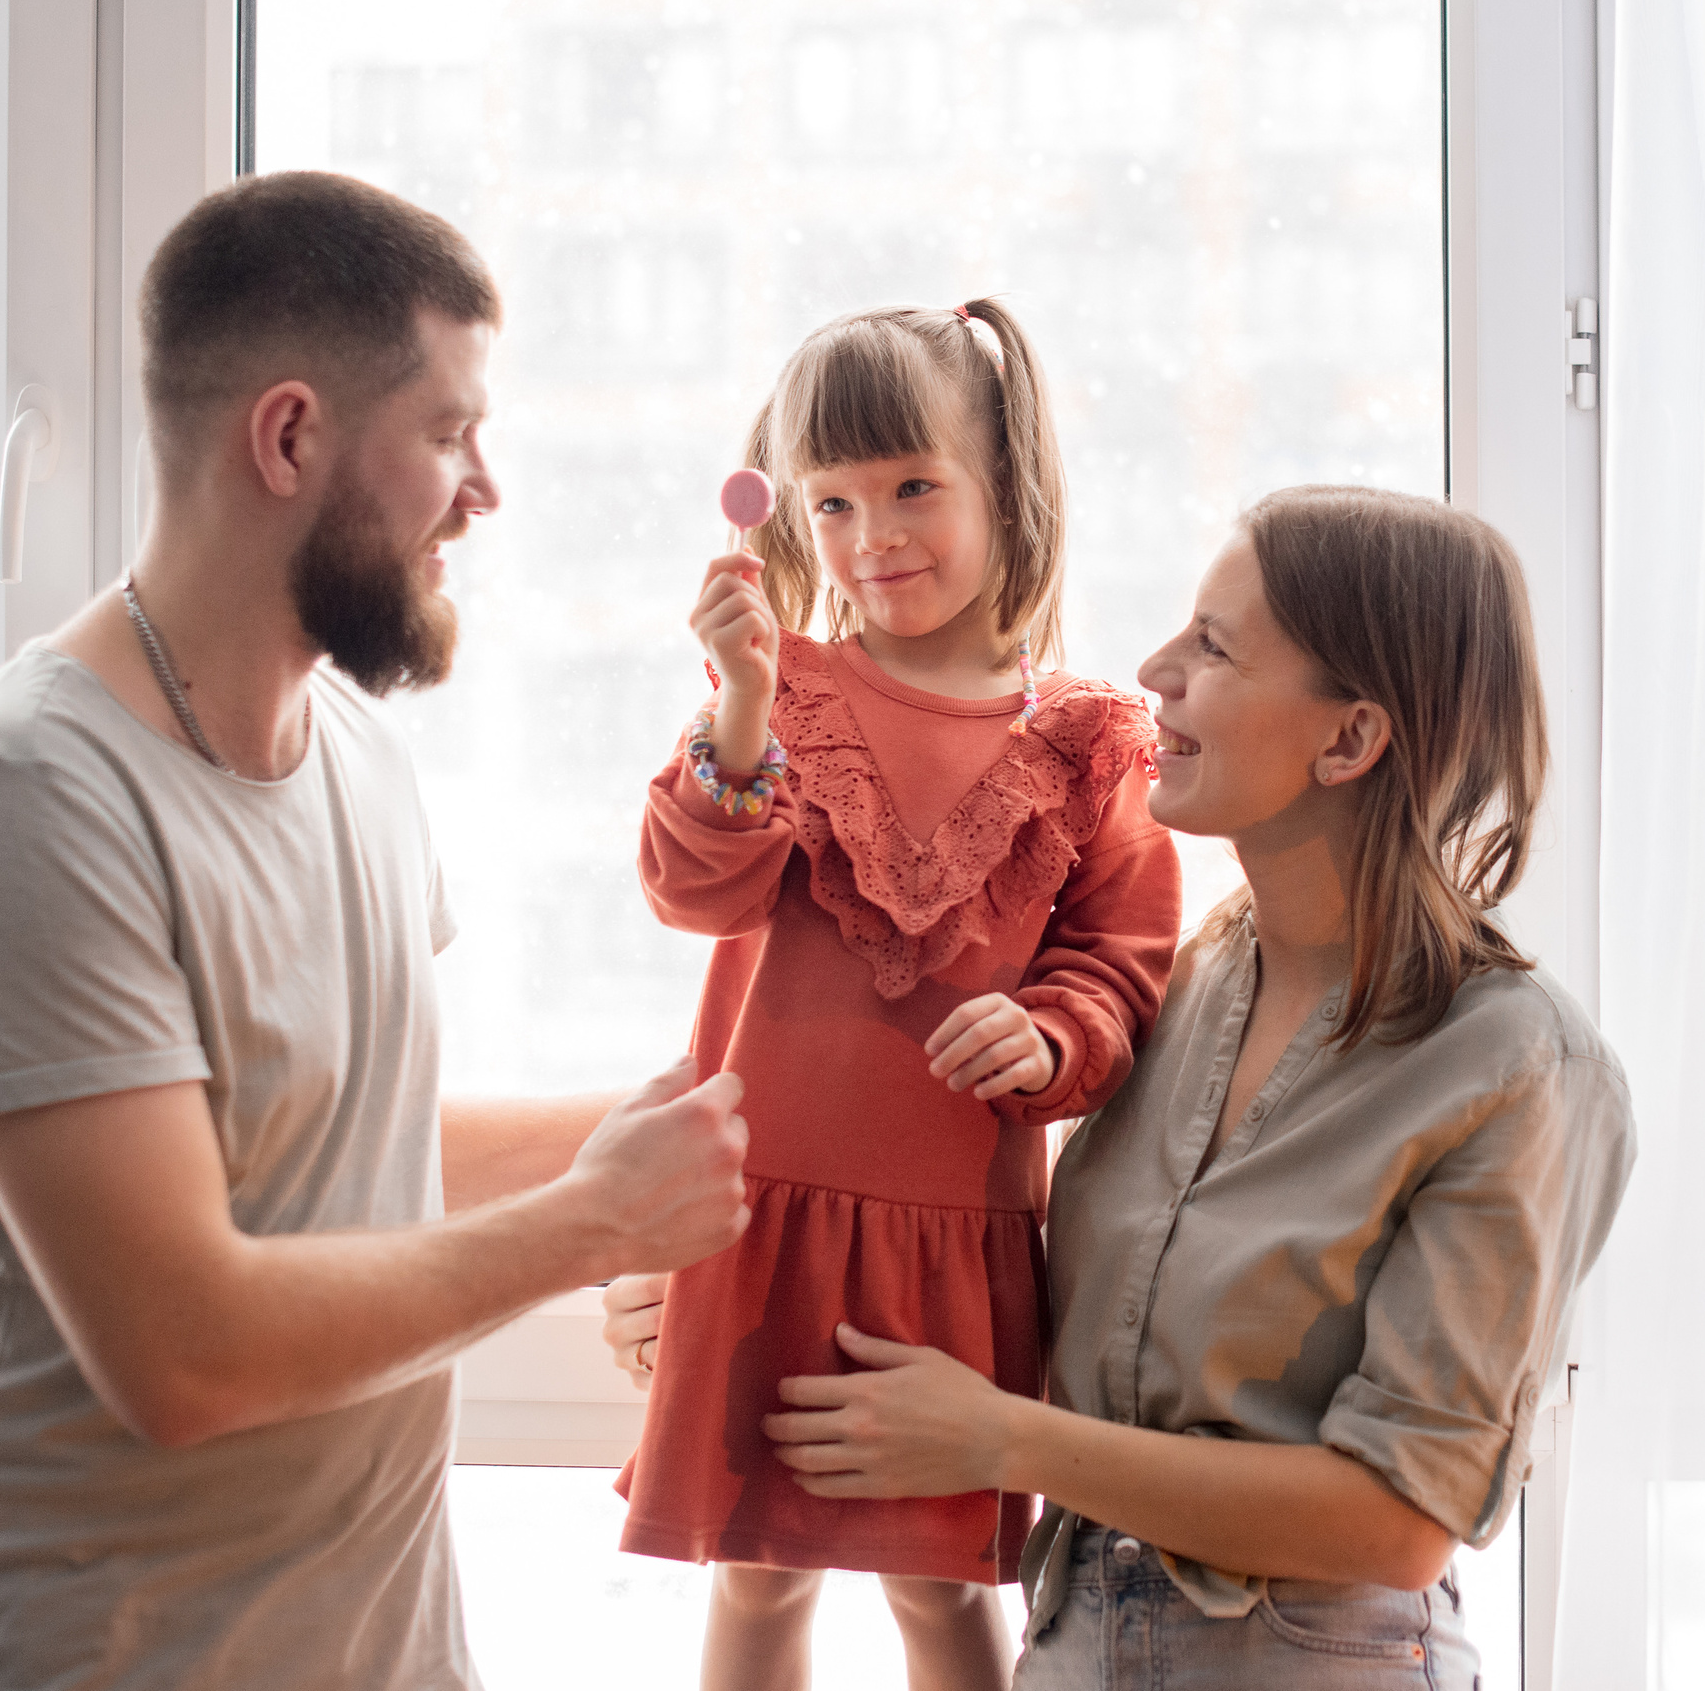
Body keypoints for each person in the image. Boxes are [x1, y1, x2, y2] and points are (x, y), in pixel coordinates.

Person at [0, 171, 751, 1691]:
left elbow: (347, 1156)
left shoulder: (359, 754)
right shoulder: (24, 800)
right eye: (448, 433)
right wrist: (596, 1221)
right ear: (287, 438)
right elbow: (187, 1351)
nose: (484, 491)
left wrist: (678, 1111)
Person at [609, 485, 1636, 1684]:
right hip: (1076, 1645)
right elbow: (881, 1136)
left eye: (1214, 647)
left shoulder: (1516, 1068)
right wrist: (694, 1272)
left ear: (1349, 738)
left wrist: (1002, 1438)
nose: (1154, 670)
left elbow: (1400, 1519)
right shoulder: (1181, 990)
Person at [618, 301, 1184, 1690]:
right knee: (755, 1574)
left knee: (939, 1588)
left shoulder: (1085, 747)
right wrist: (740, 704)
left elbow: (1121, 968)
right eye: (834, 502)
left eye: (915, 487)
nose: (874, 535)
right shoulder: (781, 696)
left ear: (1007, 484)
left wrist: (1047, 1035)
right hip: (754, 1219)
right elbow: (694, 889)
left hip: (952, 1241)